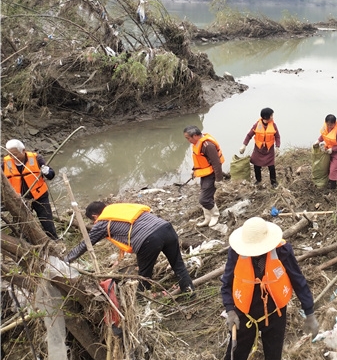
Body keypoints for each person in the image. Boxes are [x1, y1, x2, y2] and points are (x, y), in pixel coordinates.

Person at [220, 217, 320, 360]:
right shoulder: (236, 252)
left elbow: (298, 280)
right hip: (245, 313)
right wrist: (230, 310)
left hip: (274, 313)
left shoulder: (282, 251)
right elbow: (226, 283)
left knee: (273, 357)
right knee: (235, 356)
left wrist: (309, 313)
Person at [65, 201, 194, 294]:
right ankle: (189, 291)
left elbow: (86, 244)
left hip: (148, 239)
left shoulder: (102, 222)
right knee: (178, 264)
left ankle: (142, 299)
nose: (94, 223)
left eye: (93, 221)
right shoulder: (118, 209)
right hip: (166, 228)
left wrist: (67, 259)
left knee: (144, 275)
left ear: (95, 216)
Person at [3, 139, 58, 239]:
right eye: (10, 154)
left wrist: (47, 171)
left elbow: (51, 175)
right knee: (26, 226)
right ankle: (30, 243)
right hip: (21, 200)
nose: (13, 157)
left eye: (15, 154)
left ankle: (54, 240)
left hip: (40, 197)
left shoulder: (36, 158)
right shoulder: (5, 163)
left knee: (47, 223)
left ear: (23, 150)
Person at [183, 125, 224, 227]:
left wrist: (218, 179)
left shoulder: (208, 146)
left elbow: (216, 163)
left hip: (212, 175)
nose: (188, 141)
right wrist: (194, 170)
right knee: (206, 196)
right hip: (205, 175)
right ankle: (207, 218)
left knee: (204, 199)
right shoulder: (198, 144)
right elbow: (200, 160)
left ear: (195, 136)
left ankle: (215, 215)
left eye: (188, 138)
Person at [239, 107, 280, 188]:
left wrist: (277, 147)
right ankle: (258, 180)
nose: (273, 117)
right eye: (271, 115)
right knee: (256, 165)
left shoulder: (273, 125)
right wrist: (244, 145)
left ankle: (273, 182)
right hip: (258, 149)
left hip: (269, 149)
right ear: (266, 117)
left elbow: (277, 136)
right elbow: (249, 135)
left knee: (271, 166)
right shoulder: (257, 125)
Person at [314, 114, 337, 189]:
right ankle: (328, 182)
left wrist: (333, 149)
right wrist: (318, 141)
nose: (329, 126)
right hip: (328, 151)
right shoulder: (326, 127)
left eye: (331, 125)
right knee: (327, 167)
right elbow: (323, 135)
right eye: (328, 124)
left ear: (334, 123)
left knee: (333, 170)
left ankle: (333, 187)